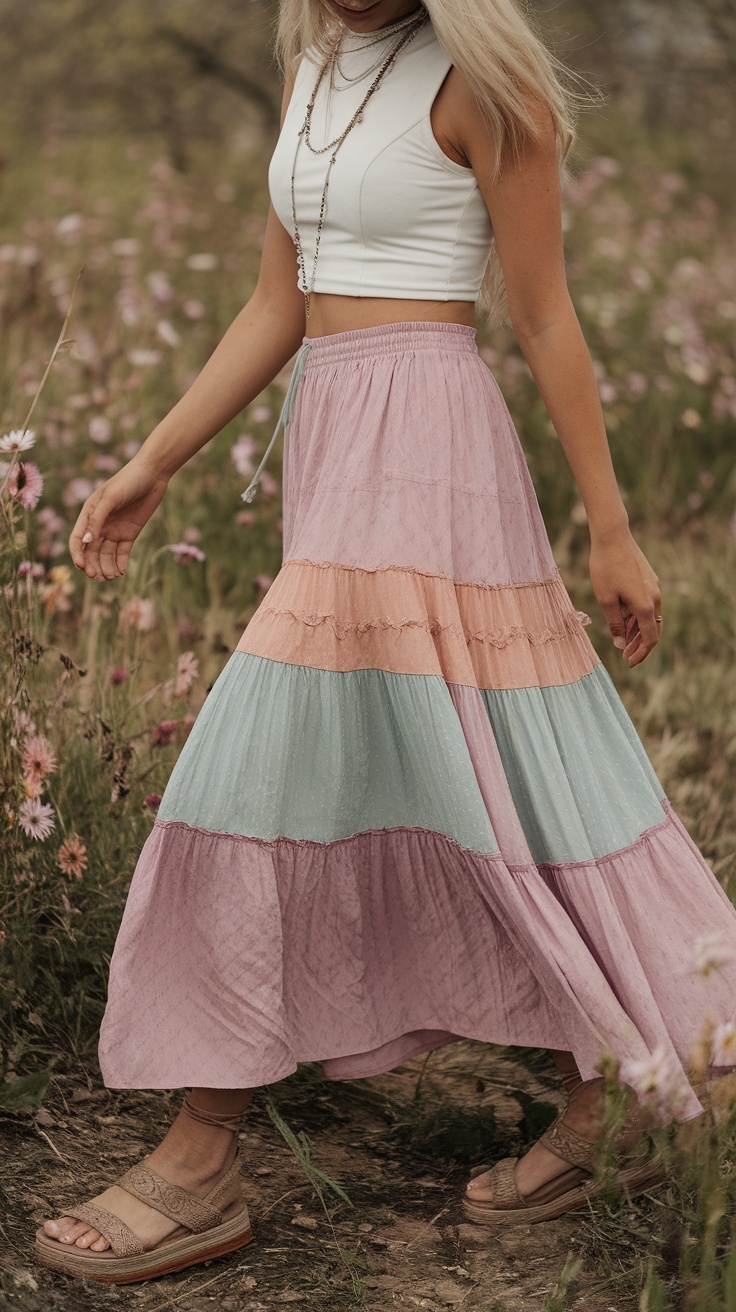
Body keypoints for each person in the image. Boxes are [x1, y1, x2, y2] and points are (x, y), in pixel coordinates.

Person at [35, 0, 736, 1285]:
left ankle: (202, 1155)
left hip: (433, 452)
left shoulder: (482, 79)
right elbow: (275, 305)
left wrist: (612, 527)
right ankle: (613, 1091)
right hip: (335, 448)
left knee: (273, 766)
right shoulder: (317, 66)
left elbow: (546, 319)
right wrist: (149, 465)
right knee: (480, 764)